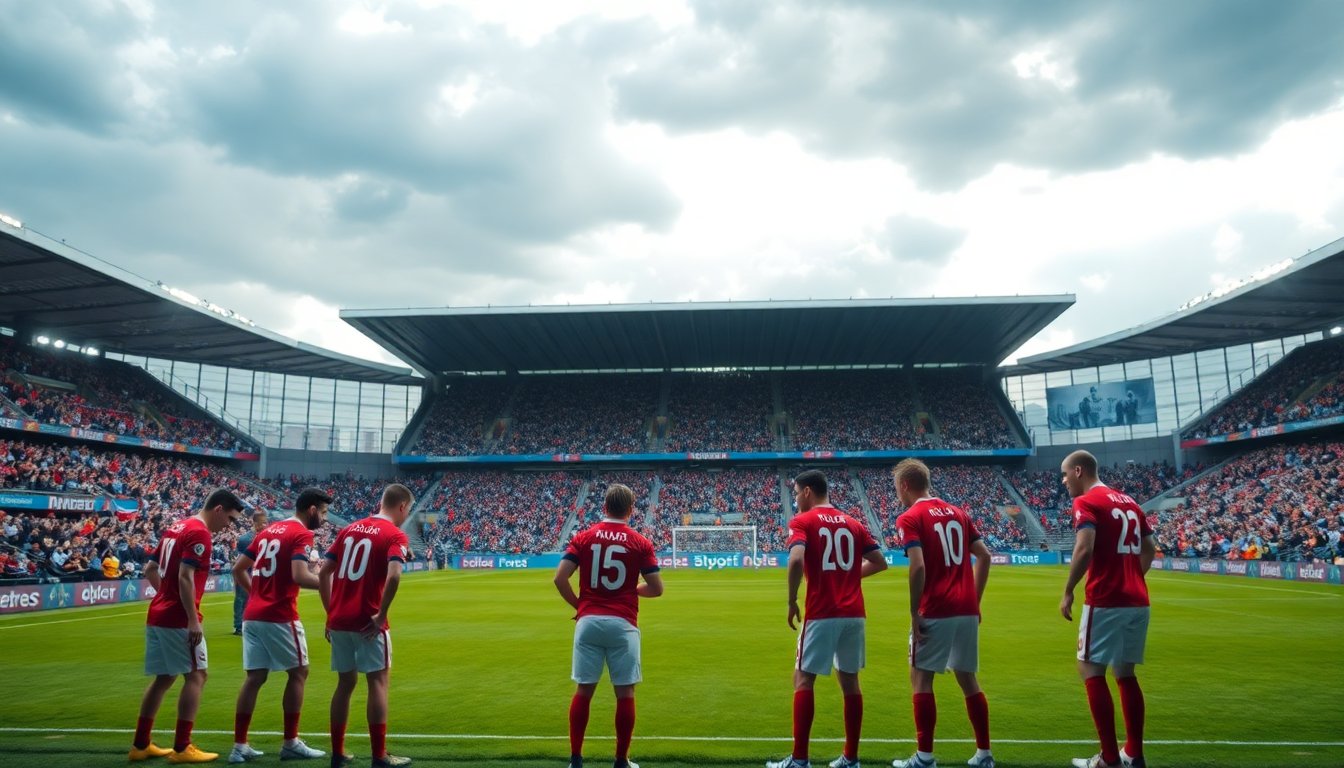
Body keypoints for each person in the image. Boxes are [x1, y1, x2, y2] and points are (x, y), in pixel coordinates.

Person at [767, 470, 887, 768]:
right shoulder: (854, 523)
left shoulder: (802, 522)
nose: (795, 500)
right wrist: (846, 577)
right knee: (850, 682)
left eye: (796, 493)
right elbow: (880, 562)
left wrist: (792, 599)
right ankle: (851, 757)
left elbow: (795, 560)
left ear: (808, 491)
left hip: (822, 612)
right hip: (854, 614)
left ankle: (799, 760)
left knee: (803, 679)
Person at [889, 459, 995, 768]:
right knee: (968, 679)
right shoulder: (959, 513)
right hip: (965, 608)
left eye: (897, 488)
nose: (897, 494)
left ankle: (924, 757)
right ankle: (984, 754)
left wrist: (913, 611)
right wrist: (974, 601)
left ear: (905, 485)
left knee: (920, 679)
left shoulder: (909, 517)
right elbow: (984, 556)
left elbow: (918, 565)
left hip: (936, 607)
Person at [129, 489, 245, 764]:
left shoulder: (176, 527)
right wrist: (192, 619)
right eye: (229, 518)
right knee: (197, 676)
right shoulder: (199, 532)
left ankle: (140, 744)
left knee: (164, 678)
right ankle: (182, 747)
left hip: (158, 614)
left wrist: (163, 598)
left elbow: (149, 570)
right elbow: (184, 577)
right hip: (179, 619)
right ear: (218, 509)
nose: (228, 525)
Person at [553, 483, 664, 768]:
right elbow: (657, 588)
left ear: (604, 506)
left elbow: (559, 579)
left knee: (584, 690)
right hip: (623, 623)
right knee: (625, 693)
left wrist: (581, 606)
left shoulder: (583, 537)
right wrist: (634, 588)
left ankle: (576, 759)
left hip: (588, 621)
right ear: (630, 509)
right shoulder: (640, 542)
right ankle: (621, 761)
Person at [1059, 450, 1155, 768]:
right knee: (1125, 673)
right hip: (1137, 600)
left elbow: (1085, 547)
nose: (1063, 482)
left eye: (1064, 475)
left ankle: (1109, 759)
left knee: (1090, 668)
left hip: (1106, 599)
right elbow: (1150, 548)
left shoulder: (1086, 502)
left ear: (1078, 470)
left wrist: (1068, 590)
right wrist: (1132, 577)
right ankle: (1134, 753)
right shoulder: (1129, 502)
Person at [228, 488, 332, 764]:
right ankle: (290, 742)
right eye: (322, 513)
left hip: (253, 615)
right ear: (311, 510)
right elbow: (300, 575)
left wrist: (256, 595)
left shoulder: (268, 532)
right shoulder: (301, 534)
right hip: (280, 615)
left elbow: (238, 568)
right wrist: (327, 581)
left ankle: (239, 746)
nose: (323, 519)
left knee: (254, 678)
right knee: (299, 672)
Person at [320, 484, 415, 768]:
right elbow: (395, 576)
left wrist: (330, 612)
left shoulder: (349, 529)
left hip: (339, 619)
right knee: (378, 682)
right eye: (407, 511)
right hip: (368, 621)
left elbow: (324, 572)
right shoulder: (395, 534)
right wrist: (380, 613)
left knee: (344, 684)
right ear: (401, 507)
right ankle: (379, 755)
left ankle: (338, 752)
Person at [235, 511, 271, 636]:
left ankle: (252, 623)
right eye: (262, 523)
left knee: (254, 599)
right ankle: (239, 626)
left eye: (266, 523)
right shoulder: (245, 539)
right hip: (246, 572)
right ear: (255, 523)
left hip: (259, 574)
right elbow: (238, 559)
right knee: (242, 598)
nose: (265, 526)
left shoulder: (265, 537)